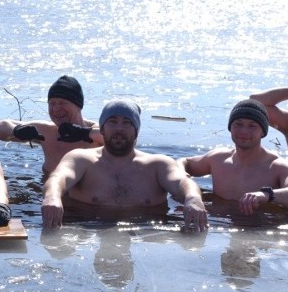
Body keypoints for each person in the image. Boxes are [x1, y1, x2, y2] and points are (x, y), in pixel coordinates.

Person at [41, 99, 208, 231]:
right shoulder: (81, 159)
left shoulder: (158, 165)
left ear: (136, 131)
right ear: (102, 129)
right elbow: (58, 178)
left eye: (127, 123)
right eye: (112, 121)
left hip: (146, 230)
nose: (119, 128)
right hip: (87, 227)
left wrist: (192, 199)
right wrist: (52, 197)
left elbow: (182, 182)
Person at [179, 99, 288, 215]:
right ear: (230, 127)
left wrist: (265, 195)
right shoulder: (217, 159)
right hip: (221, 225)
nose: (244, 131)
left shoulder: (279, 167)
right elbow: (183, 162)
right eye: (238, 124)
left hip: (260, 230)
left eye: (252, 126)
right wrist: (191, 193)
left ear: (262, 132)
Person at [0, 75, 104, 173]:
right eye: (52, 103)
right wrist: (16, 130)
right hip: (48, 193)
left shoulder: (96, 131)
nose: (56, 108)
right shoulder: (47, 132)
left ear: (79, 105)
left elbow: (118, 137)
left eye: (62, 103)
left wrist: (83, 133)